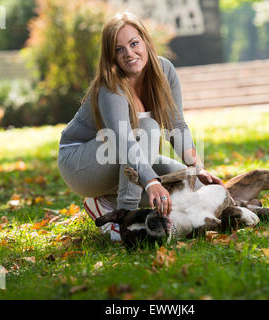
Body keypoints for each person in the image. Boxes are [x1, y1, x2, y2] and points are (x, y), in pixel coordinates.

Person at [58, 12, 224, 241]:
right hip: (80, 162)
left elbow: (176, 125)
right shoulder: (110, 86)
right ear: (111, 56)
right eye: (119, 49)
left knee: (187, 185)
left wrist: (198, 167)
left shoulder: (164, 71)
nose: (129, 53)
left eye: (134, 43)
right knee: (146, 127)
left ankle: (105, 202)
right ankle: (125, 216)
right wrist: (151, 182)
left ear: (145, 41)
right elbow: (124, 140)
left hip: (122, 156)